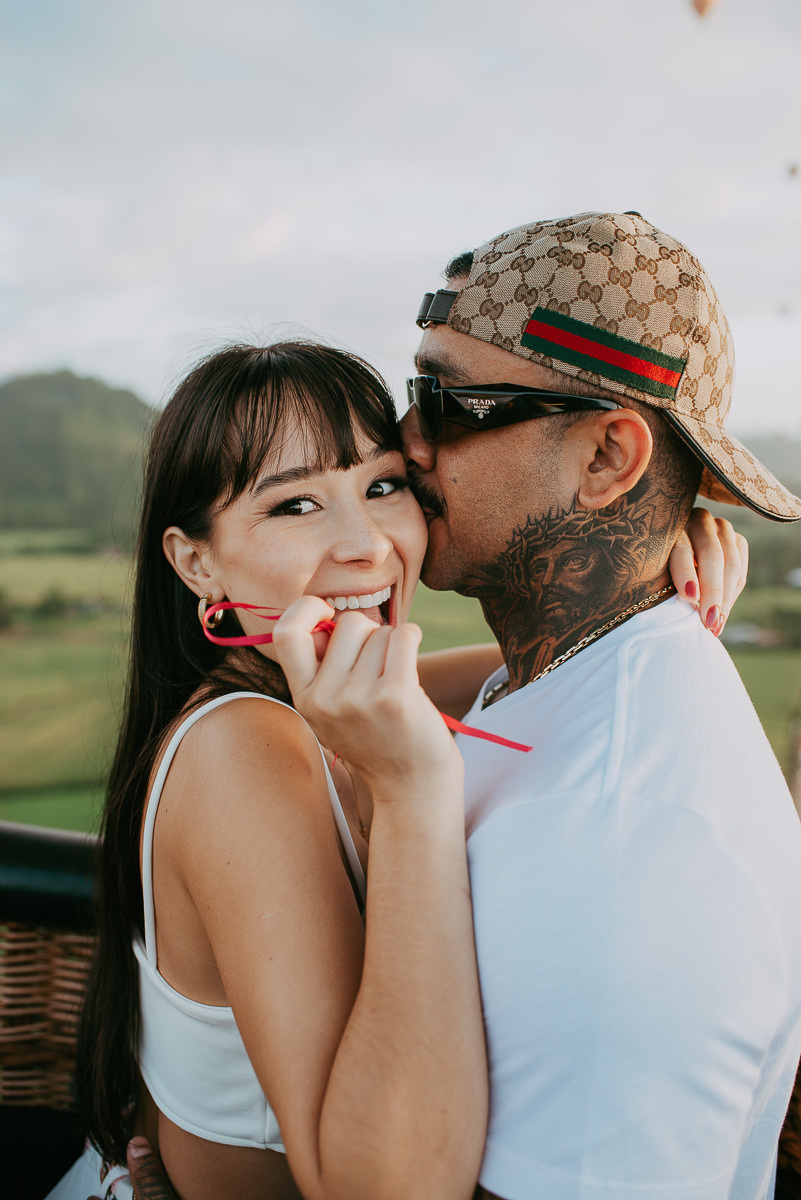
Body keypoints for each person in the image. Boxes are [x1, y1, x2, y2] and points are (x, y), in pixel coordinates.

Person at [398, 210, 801, 1199]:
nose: (402, 442)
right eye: (409, 391)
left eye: (448, 402)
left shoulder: (629, 848)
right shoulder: (562, 673)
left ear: (608, 460)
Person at [55, 341, 491, 1200]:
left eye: (381, 486)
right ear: (195, 562)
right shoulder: (242, 750)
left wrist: (647, 571)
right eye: (295, 505)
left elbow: (504, 670)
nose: (365, 543)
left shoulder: (313, 704)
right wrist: (413, 794)